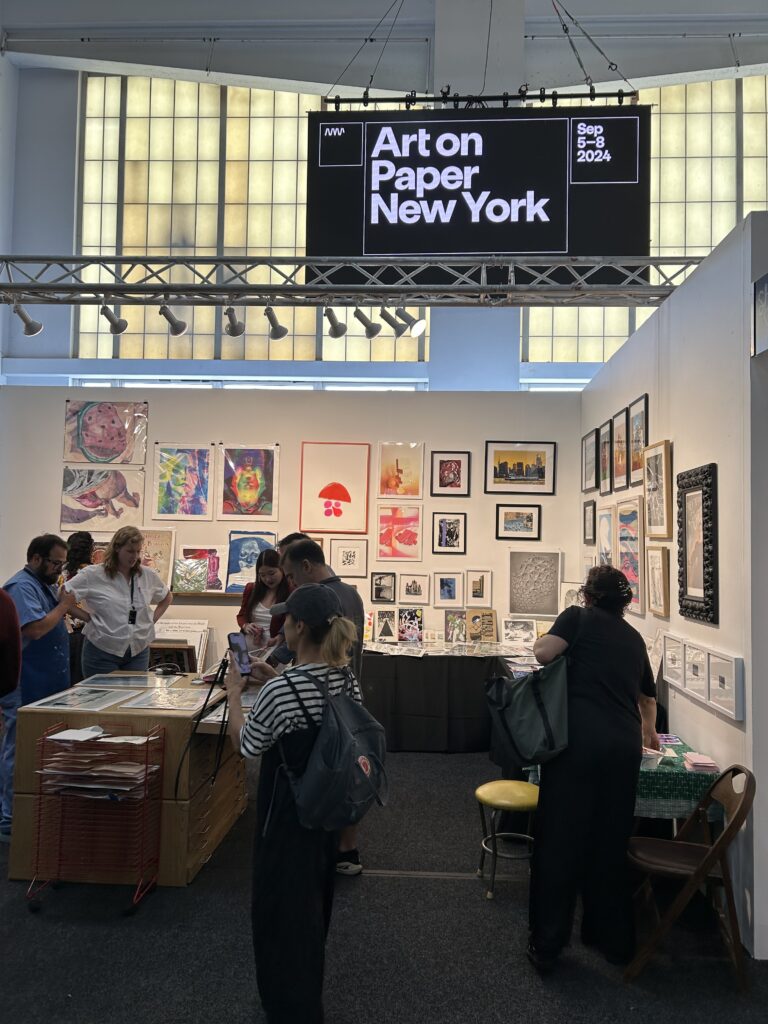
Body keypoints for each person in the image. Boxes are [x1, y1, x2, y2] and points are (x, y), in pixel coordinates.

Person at [225, 584, 362, 1024]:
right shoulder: (345, 677)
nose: (281, 625)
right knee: (314, 899)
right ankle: (305, 990)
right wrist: (275, 679)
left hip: (284, 812)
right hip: (326, 806)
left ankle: (291, 1005)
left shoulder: (282, 691)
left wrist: (233, 693)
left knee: (279, 907)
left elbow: (247, 745)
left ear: (300, 627)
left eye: (287, 619)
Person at [527, 565, 659, 973]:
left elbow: (544, 653)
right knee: (610, 841)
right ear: (624, 602)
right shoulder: (634, 638)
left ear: (587, 595)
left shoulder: (576, 618)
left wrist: (542, 640)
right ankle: (611, 939)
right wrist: (649, 734)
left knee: (560, 842)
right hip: (623, 749)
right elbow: (647, 700)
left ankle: (549, 942)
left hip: (578, 746)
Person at [2, 534, 78, 841]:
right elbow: (35, 629)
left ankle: (32, 810)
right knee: (18, 748)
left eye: (62, 564)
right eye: (55, 563)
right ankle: (9, 817)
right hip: (26, 681)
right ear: (35, 558)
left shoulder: (44, 584)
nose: (59, 570)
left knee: (42, 748)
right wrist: (64, 606)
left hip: (47, 682)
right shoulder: (21, 587)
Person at [64, 525, 173, 677]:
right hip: (102, 649)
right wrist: (88, 618)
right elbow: (62, 596)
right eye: (130, 551)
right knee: (102, 692)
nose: (134, 556)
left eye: (138, 551)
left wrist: (151, 620)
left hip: (137, 650)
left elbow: (167, 597)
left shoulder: (147, 575)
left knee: (134, 692)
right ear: (116, 548)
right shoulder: (94, 574)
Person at [235, 548, 290, 650]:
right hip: (247, 648)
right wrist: (246, 626)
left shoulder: (290, 591)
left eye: (271, 573)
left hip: (274, 650)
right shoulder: (251, 589)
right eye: (262, 575)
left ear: (281, 569)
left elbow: (292, 624)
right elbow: (241, 615)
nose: (267, 579)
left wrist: (280, 637)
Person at [63, 530, 95, 684]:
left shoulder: (61, 572)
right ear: (90, 550)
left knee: (67, 678)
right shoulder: (92, 573)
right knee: (82, 679)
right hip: (85, 631)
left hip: (64, 631)